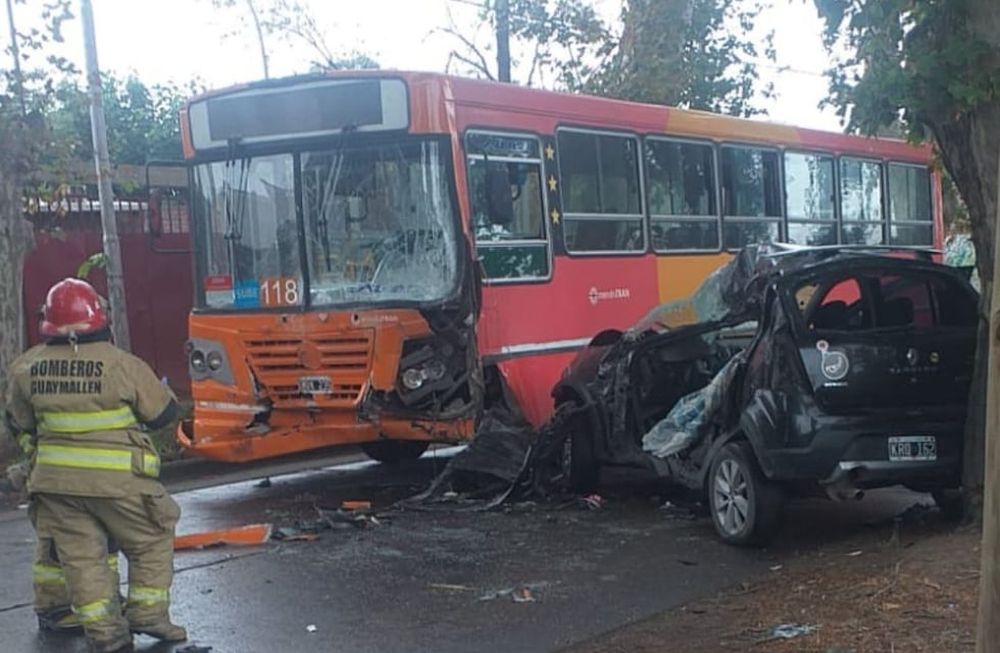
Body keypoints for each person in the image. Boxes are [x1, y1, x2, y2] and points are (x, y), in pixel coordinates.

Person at [5, 278, 186, 653]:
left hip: (55, 485)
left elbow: (19, 423)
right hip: (120, 482)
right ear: (100, 318)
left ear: (48, 322)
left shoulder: (26, 368)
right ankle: (148, 614)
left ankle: (107, 636)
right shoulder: (122, 365)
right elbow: (163, 415)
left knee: (83, 560)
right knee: (151, 539)